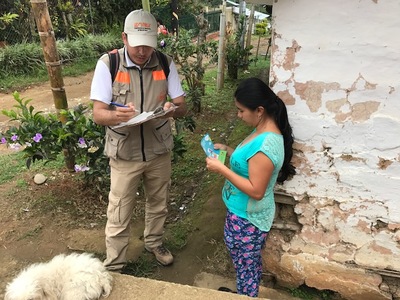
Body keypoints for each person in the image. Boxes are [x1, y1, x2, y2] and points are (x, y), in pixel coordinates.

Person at [90, 9, 187, 271]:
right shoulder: (108, 64)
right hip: (124, 152)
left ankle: (154, 243)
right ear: (124, 37)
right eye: (137, 45)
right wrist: (115, 115)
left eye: (148, 45)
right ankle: (115, 263)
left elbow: (181, 105)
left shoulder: (165, 63)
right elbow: (98, 114)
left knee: (159, 202)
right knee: (119, 210)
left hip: (158, 149)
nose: (143, 51)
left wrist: (172, 109)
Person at [205, 77, 295, 297]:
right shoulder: (261, 130)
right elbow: (250, 164)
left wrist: (221, 169)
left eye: (241, 111)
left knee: (247, 269)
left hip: (248, 220)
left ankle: (247, 295)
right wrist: (228, 149)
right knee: (246, 266)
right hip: (242, 215)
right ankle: (244, 292)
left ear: (260, 110)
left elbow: (257, 190)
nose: (238, 115)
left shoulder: (265, 145)